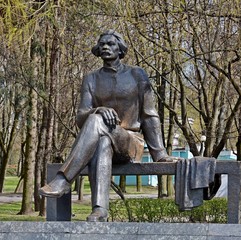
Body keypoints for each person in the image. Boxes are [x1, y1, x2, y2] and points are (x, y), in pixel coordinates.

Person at [40, 30, 173, 222]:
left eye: (110, 44)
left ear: (120, 49)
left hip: (131, 142)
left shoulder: (137, 74)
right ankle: (100, 210)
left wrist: (159, 153)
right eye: (102, 44)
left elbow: (149, 115)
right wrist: (98, 110)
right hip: (104, 143)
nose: (105, 47)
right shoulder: (91, 78)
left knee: (95, 121)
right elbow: (80, 118)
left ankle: (64, 179)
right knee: (101, 138)